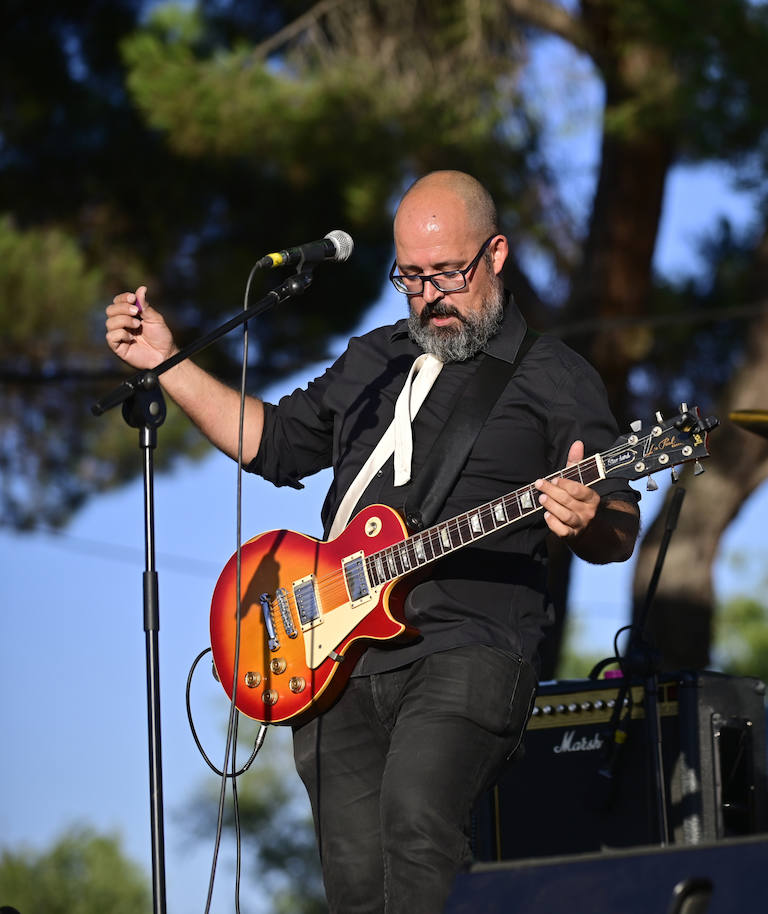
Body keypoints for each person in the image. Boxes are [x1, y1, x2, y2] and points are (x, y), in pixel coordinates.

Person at [104, 170, 641, 913]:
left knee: (418, 826)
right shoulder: (374, 358)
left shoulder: (551, 374)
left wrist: (591, 520)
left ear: (496, 255)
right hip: (333, 659)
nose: (431, 296)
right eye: (412, 277)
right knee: (356, 886)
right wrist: (167, 363)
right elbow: (273, 443)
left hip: (468, 646)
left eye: (448, 273)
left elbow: (617, 522)